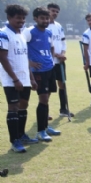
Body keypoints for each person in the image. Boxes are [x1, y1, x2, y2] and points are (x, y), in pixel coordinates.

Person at [0, 5, 37, 153]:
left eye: (23, 18)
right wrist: (15, 79)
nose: (21, 21)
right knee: (13, 108)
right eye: (18, 18)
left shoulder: (22, 34)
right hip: (11, 80)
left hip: (25, 78)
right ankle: (14, 140)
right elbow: (2, 58)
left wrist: (31, 78)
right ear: (9, 17)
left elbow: (24, 58)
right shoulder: (3, 34)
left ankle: (21, 135)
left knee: (23, 106)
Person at [25, 7, 57, 142]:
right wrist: (30, 63)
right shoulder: (29, 32)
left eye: (47, 18)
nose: (45, 20)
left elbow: (51, 47)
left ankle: (45, 126)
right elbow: (21, 47)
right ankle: (40, 131)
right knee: (43, 99)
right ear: (35, 19)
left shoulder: (49, 32)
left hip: (50, 68)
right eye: (42, 18)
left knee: (47, 98)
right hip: (38, 72)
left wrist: (53, 57)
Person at [47, 2, 72, 119]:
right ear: (47, 10)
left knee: (62, 85)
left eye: (57, 11)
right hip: (48, 62)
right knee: (47, 88)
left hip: (60, 61)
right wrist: (55, 54)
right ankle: (45, 112)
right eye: (53, 11)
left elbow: (63, 42)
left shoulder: (59, 26)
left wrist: (62, 54)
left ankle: (63, 109)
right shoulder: (44, 26)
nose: (55, 13)